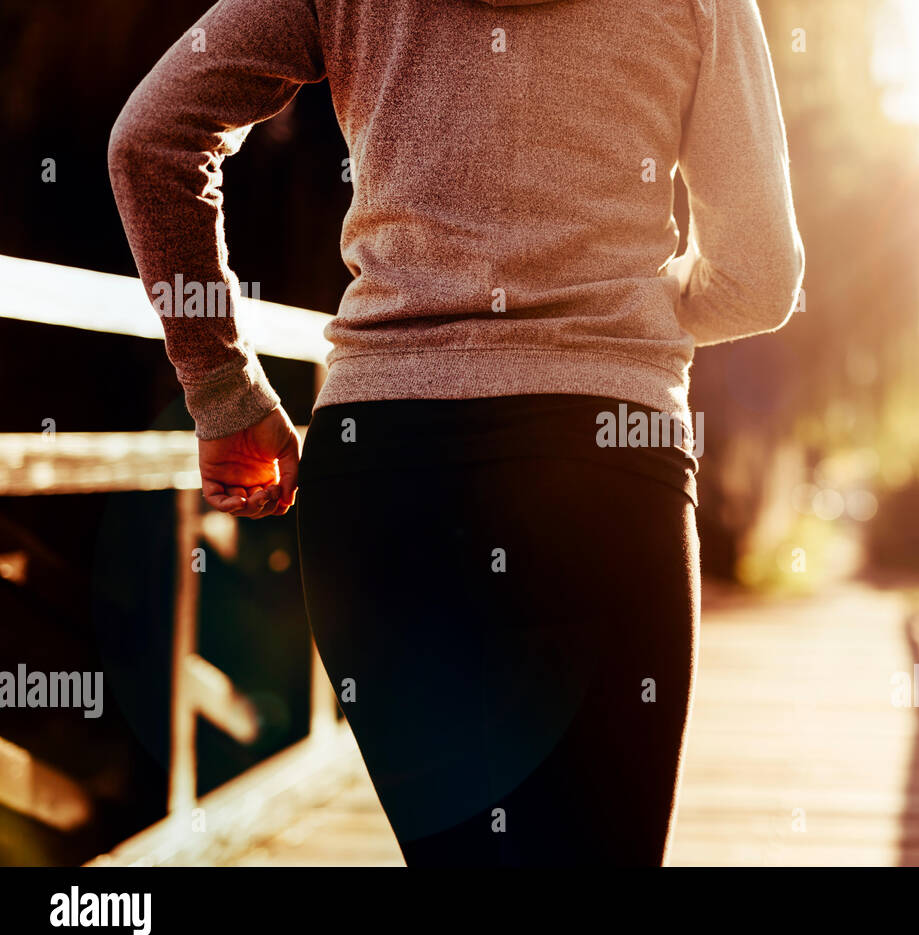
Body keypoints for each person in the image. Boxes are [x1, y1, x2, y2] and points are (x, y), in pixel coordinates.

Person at [109, 0, 803, 866]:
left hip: (382, 473)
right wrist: (626, 313)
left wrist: (223, 388)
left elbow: (150, 141)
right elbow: (760, 276)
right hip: (606, 465)